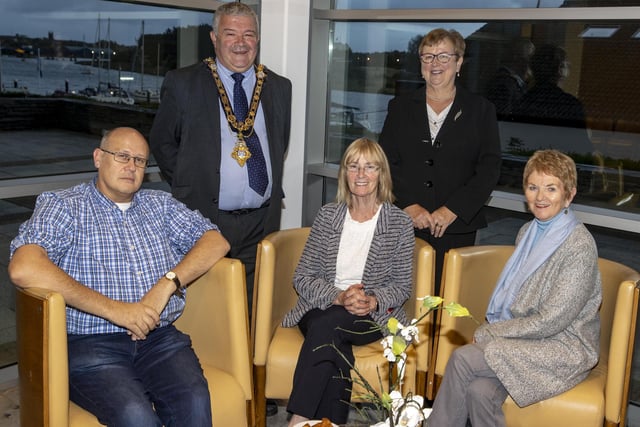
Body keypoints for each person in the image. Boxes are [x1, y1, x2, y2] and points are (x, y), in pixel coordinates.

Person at [8, 127, 231, 427]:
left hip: (160, 340)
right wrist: (118, 311)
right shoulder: (65, 205)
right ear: (98, 158)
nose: (131, 166)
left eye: (140, 160)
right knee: (135, 416)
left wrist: (167, 284)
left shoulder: (160, 206)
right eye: (122, 156)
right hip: (91, 343)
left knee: (194, 400)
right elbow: (23, 267)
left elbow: (216, 241)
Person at [427, 149, 602, 427]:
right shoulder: (527, 232)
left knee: (463, 359)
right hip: (526, 340)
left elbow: (552, 320)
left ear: (569, 195)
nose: (540, 197)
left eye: (551, 188)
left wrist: (492, 331)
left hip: (563, 347)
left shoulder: (579, 246)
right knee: (479, 392)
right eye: (533, 187)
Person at [149, 2, 292, 317]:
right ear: (214, 38)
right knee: (206, 309)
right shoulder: (183, 82)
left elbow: (278, 145)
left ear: (257, 39)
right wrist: (191, 182)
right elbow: (161, 142)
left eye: (248, 34)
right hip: (205, 218)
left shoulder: (280, 87)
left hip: (262, 221)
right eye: (230, 33)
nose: (240, 43)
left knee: (256, 306)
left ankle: (250, 365)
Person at [283, 138, 415, 426]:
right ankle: (331, 421)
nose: (361, 174)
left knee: (326, 326)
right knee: (329, 329)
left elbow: (401, 285)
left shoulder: (399, 223)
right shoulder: (327, 215)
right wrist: (339, 296)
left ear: (382, 174)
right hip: (323, 304)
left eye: (370, 167)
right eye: (353, 166)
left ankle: (300, 417)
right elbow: (302, 277)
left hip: (371, 314)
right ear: (344, 173)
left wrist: (373, 299)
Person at [379, 28, 502, 292]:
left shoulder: (481, 110)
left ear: (459, 63)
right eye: (427, 57)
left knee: (447, 298)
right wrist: (409, 205)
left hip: (456, 227)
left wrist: (452, 209)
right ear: (420, 65)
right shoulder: (399, 107)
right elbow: (386, 161)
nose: (435, 64)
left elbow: (489, 169)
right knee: (402, 296)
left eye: (443, 56)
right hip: (405, 224)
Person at [512, 44, 593, 156]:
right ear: (560, 69)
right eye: (566, 65)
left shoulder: (523, 101)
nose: (569, 67)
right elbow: (582, 150)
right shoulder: (569, 105)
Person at [485, 38, 535, 119]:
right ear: (516, 57)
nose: (533, 62)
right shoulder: (504, 84)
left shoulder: (513, 83)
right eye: (530, 57)